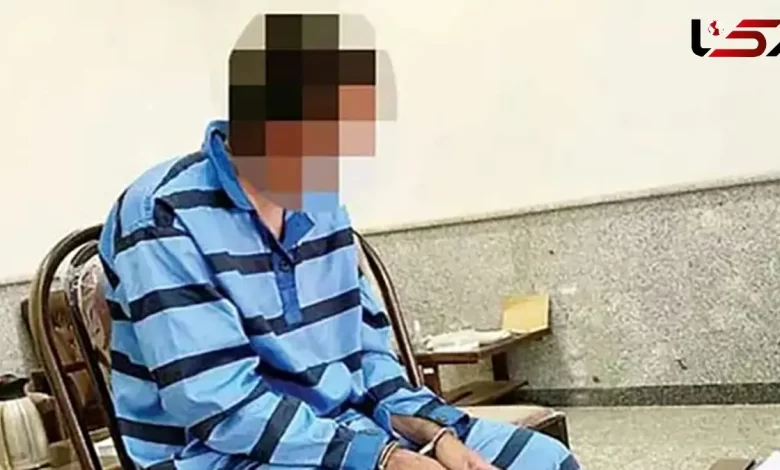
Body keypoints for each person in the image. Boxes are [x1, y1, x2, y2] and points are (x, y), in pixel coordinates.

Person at [97, 13, 580, 470]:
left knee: (541, 460)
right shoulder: (162, 216)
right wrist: (383, 458)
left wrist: (438, 435)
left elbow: (369, 358)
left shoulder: (322, 206)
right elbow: (221, 408)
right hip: (221, 454)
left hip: (347, 432)